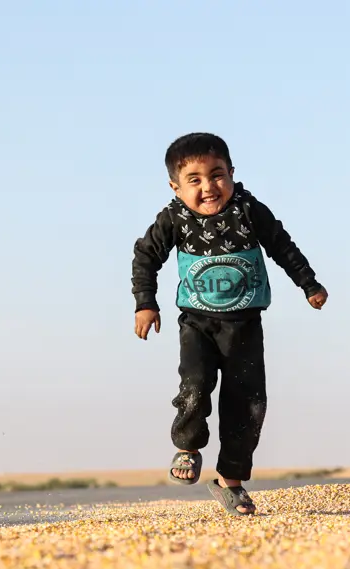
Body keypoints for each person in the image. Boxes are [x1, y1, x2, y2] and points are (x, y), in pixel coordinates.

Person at [131, 132, 328, 515]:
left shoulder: (248, 210)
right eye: (195, 180)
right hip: (198, 324)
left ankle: (230, 483)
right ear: (176, 187)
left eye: (217, 175)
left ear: (232, 174)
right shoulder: (175, 218)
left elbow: (282, 246)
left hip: (245, 325)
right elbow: (145, 257)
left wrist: (309, 283)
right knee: (196, 383)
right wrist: (145, 303)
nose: (208, 187)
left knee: (248, 404)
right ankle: (187, 447)